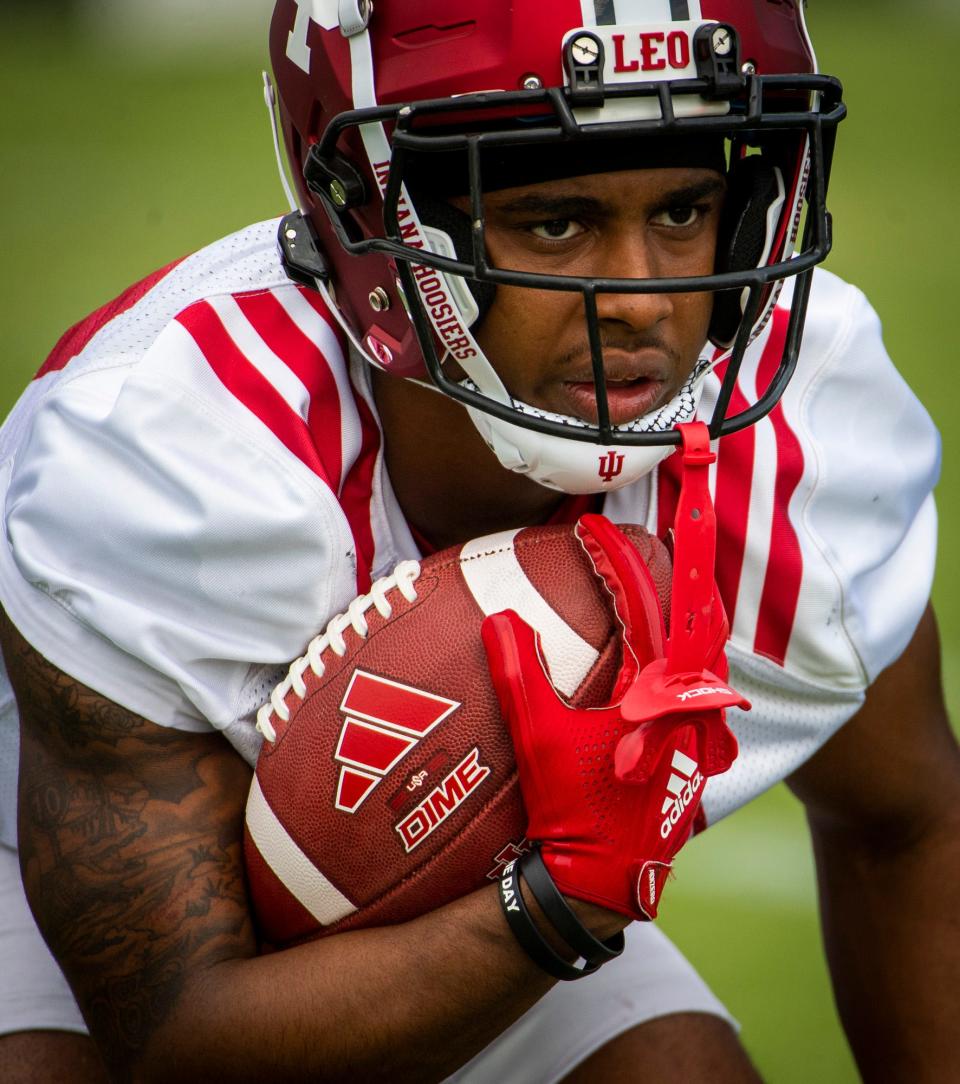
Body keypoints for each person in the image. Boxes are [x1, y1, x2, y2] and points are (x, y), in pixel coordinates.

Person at [0, 1, 957, 1082]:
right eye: (557, 223)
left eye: (688, 209)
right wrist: (555, 905)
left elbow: (905, 824)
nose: (642, 298)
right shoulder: (178, 450)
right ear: (374, 212)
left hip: (468, 904)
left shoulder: (803, 439)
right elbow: (173, 1037)